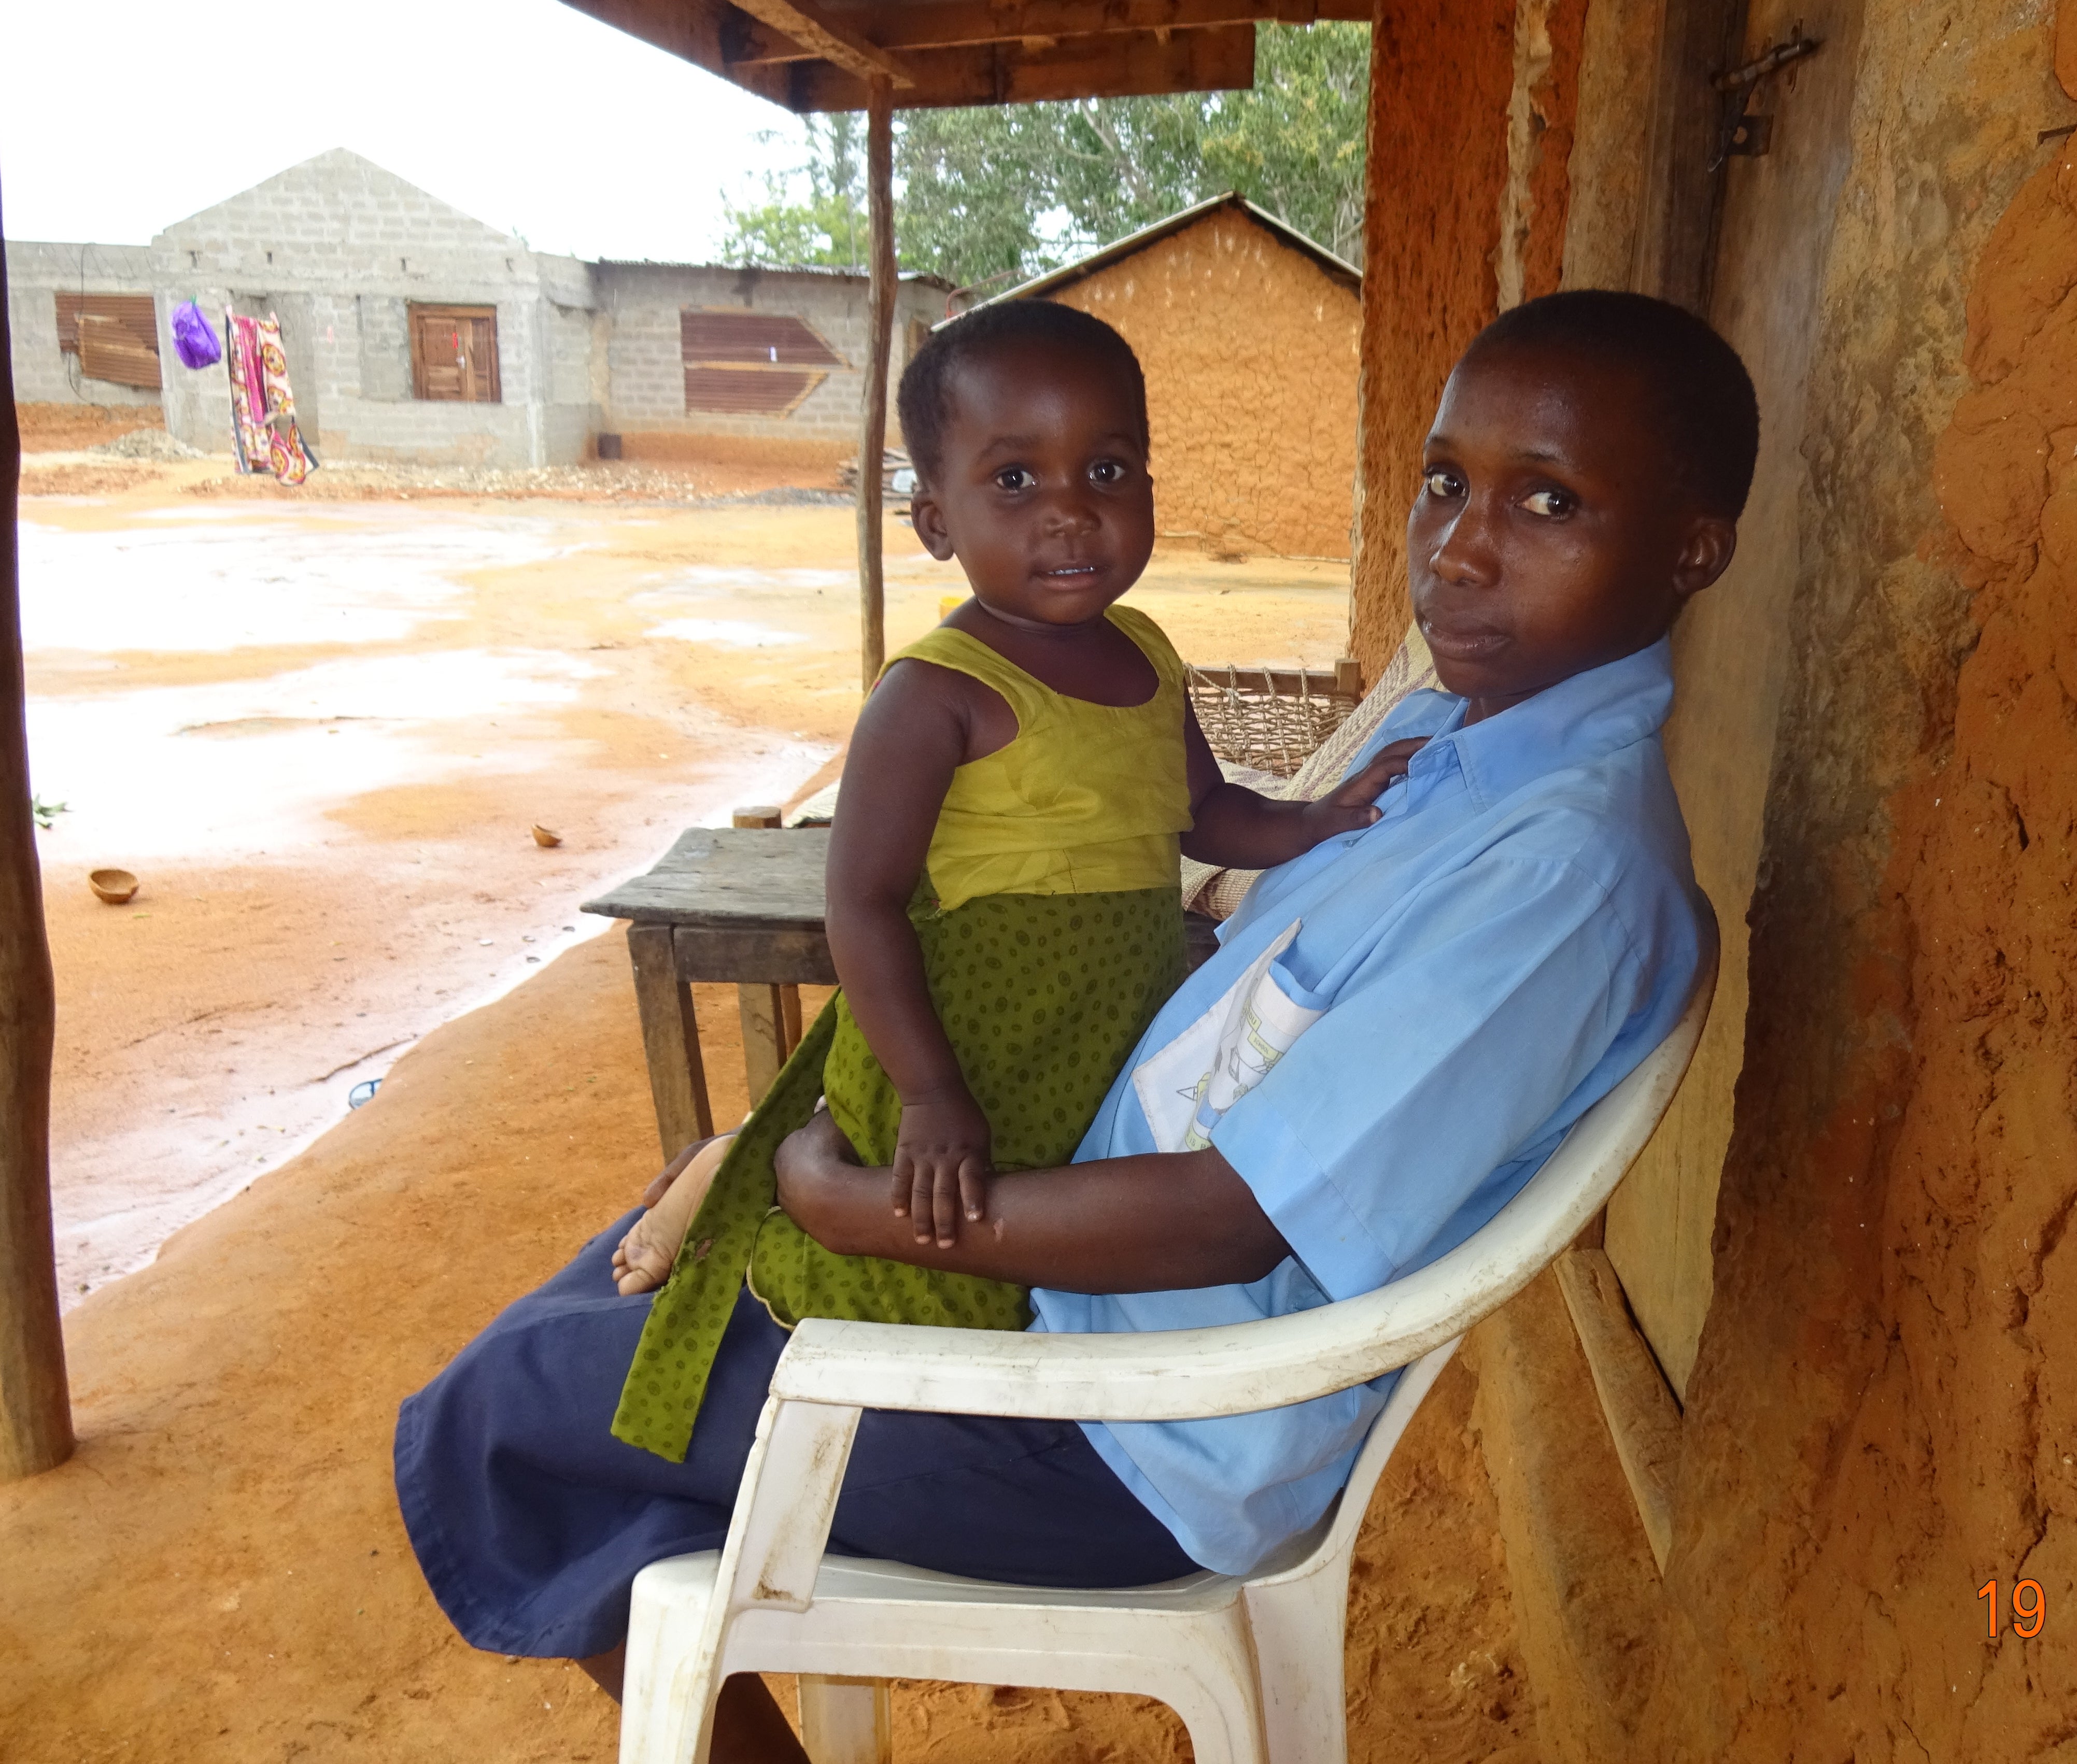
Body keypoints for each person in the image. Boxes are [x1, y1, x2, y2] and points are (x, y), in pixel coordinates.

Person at [394, 289, 1756, 1759]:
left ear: (1692, 547)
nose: (1461, 547)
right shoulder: (1452, 745)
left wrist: (859, 1212)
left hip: (1107, 1427)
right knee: (596, 1305)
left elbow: (1225, 1222)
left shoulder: (1555, 882)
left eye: (1547, 500)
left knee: (498, 1415)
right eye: (1445, 482)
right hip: (1059, 1288)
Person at [605, 302, 1415, 1466]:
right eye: (1016, 480)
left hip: (1091, 1037)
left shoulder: (1145, 653)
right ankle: (729, 1177)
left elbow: (1205, 814)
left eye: (1106, 467)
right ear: (935, 520)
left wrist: (1321, 819)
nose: (1071, 510)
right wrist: (931, 1094)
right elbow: (863, 904)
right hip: (964, 1050)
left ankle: (739, 1155)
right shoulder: (933, 694)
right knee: (946, 1252)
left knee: (1053, 1237)